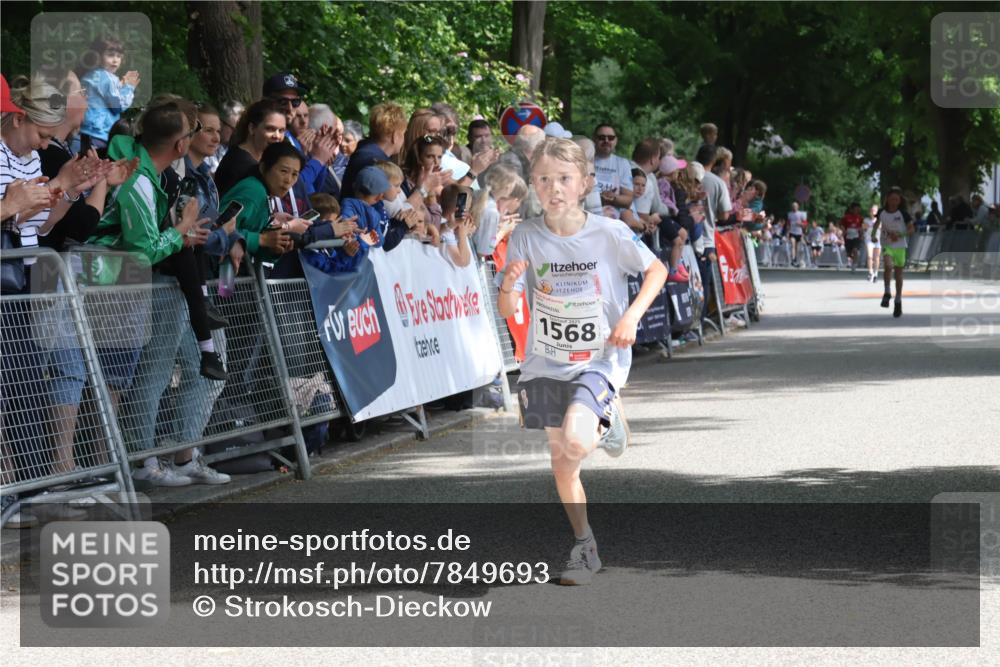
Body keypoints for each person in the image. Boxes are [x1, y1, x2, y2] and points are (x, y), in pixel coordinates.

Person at [498, 138, 668, 585]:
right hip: (545, 360)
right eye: (544, 179)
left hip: (599, 357)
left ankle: (603, 415)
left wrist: (631, 316)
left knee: (576, 441)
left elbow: (657, 270)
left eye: (564, 179)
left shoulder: (609, 232)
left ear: (585, 184)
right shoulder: (526, 235)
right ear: (533, 185)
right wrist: (509, 287)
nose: (554, 188)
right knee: (563, 462)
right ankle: (585, 547)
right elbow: (506, 309)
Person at [87, 98, 233, 486]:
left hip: (137, 284)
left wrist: (181, 232)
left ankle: (174, 456)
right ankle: (139, 463)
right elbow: (143, 251)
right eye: (193, 132)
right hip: (116, 284)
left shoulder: (149, 176)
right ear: (181, 144)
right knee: (138, 377)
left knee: (177, 375)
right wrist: (181, 230)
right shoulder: (138, 181)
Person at [77, 37, 140, 154]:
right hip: (99, 133)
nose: (115, 60)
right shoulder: (106, 77)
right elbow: (118, 106)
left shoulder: (93, 74)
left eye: (119, 56)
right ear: (98, 57)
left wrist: (121, 85)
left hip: (87, 131)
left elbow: (105, 98)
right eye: (110, 55)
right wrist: (129, 88)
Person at [214, 98, 287, 196]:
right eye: (270, 129)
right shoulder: (240, 165)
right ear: (252, 128)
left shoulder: (257, 161)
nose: (277, 136)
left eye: (281, 130)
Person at [340, 101, 407, 199]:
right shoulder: (377, 165)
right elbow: (398, 211)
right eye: (403, 133)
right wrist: (422, 189)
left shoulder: (363, 153)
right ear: (395, 136)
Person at [469, 162, 526, 258]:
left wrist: (498, 223)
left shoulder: (476, 194)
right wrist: (503, 231)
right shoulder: (492, 211)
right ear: (507, 187)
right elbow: (484, 251)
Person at [877, 186, 914, 318]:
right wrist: (873, 235)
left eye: (896, 199)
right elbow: (877, 224)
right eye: (891, 199)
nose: (893, 202)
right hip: (887, 245)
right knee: (888, 266)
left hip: (900, 246)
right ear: (887, 199)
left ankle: (898, 300)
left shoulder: (903, 214)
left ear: (899, 201)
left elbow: (911, 229)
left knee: (898, 276)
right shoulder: (882, 212)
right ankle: (887, 292)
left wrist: (901, 234)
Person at [592, 123, 634, 217]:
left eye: (610, 138)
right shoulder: (586, 160)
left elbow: (628, 200)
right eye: (602, 137)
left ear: (616, 141)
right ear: (594, 139)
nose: (606, 140)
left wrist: (612, 198)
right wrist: (599, 197)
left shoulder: (623, 164)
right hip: (588, 217)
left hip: (611, 220)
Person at [437, 184, 475, 268]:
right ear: (458, 210)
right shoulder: (447, 232)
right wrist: (462, 235)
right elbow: (463, 261)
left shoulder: (441, 220)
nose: (469, 213)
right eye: (468, 209)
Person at [203, 100, 244, 175]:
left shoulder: (233, 148)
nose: (236, 134)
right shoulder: (205, 144)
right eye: (233, 129)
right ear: (220, 123)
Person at [839, 202, 864, 271]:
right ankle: (852, 259)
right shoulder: (846, 217)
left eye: (858, 210)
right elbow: (841, 224)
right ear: (852, 209)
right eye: (855, 209)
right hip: (848, 237)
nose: (857, 211)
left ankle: (854, 265)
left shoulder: (860, 218)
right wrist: (843, 230)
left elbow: (863, 227)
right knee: (849, 253)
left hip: (856, 236)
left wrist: (861, 234)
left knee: (855, 250)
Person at [863, 203, 881, 283]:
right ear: (870, 212)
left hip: (878, 240)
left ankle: (876, 273)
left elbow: (881, 227)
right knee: (870, 257)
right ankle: (870, 272)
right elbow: (864, 227)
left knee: (876, 258)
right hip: (869, 240)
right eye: (872, 210)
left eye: (875, 210)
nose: (873, 212)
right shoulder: (866, 220)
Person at [786, 200, 808, 266]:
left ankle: (798, 259)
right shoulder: (790, 214)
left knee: (797, 247)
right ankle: (793, 259)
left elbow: (805, 224)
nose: (794, 207)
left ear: (798, 207)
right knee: (793, 245)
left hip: (799, 233)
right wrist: (787, 232)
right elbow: (788, 224)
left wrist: (800, 224)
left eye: (795, 206)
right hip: (792, 232)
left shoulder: (801, 214)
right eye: (793, 206)